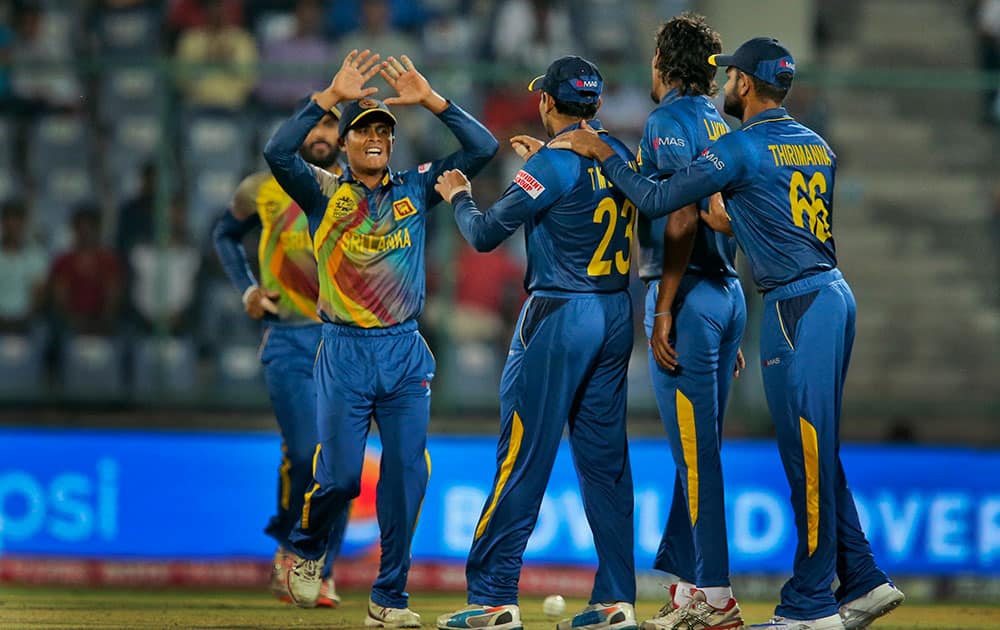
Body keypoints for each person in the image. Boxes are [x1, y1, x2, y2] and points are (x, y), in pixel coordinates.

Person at [552, 37, 904, 630]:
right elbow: (737, 214)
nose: (725, 83)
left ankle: (810, 606)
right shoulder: (815, 145)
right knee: (816, 453)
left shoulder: (740, 146)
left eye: (733, 76)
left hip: (795, 305)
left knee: (805, 458)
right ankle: (863, 576)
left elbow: (666, 200)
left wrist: (603, 152)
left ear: (744, 83)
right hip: (823, 295)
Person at [263, 49, 498, 627]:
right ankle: (309, 548)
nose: (374, 137)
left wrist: (433, 100)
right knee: (342, 479)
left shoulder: (416, 188)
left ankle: (388, 598)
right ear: (344, 143)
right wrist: (328, 98)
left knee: (407, 476)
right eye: (363, 130)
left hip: (403, 351)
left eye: (383, 131)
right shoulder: (322, 192)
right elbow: (275, 152)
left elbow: (484, 151)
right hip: (343, 352)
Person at [434, 55, 638, 630]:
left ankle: (495, 596)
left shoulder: (549, 165)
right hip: (614, 314)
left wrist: (458, 195)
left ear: (547, 103)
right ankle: (616, 599)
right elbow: (587, 195)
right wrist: (541, 168)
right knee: (606, 465)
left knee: (522, 455)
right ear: (594, 105)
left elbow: (482, 234)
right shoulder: (620, 154)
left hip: (559, 314)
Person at [627, 14, 748, 630]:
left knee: (696, 457)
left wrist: (665, 308)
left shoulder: (665, 122)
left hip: (690, 296)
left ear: (663, 64)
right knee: (695, 452)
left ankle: (717, 596)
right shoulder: (720, 122)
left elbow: (680, 216)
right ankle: (683, 588)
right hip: (726, 297)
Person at [211, 95, 348, 608]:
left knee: (338, 461)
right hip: (289, 340)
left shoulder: (358, 191)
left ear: (345, 135)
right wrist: (247, 289)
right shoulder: (262, 187)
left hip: (344, 343)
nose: (321, 130)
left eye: (332, 123)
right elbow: (225, 235)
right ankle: (295, 551)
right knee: (307, 452)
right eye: (313, 119)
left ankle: (320, 570)